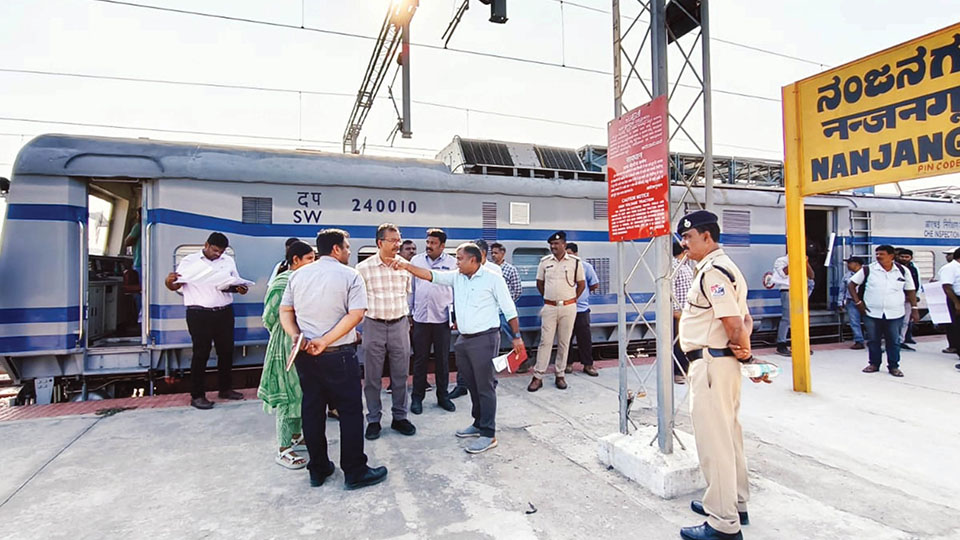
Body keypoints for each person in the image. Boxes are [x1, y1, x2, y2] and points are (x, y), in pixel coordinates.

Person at [677, 210, 764, 540]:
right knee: (730, 437)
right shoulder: (729, 269)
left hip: (711, 365)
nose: (684, 244)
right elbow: (746, 319)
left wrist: (745, 349)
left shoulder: (712, 272)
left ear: (707, 237)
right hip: (723, 364)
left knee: (715, 443)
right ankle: (735, 502)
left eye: (688, 237)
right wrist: (744, 347)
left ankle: (722, 523)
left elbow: (733, 323)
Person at [279, 228, 388, 490]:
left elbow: (286, 311)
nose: (350, 252)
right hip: (338, 355)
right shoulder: (350, 275)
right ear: (336, 249)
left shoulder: (298, 275)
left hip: (305, 354)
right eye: (347, 247)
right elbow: (356, 315)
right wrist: (326, 341)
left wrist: (297, 336)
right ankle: (354, 471)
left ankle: (318, 469)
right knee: (350, 412)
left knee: (312, 410)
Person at [393, 242, 524, 454]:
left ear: (473, 260)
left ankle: (488, 434)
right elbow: (430, 275)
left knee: (485, 387)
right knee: (471, 384)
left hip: (485, 338)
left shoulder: (493, 279)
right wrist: (406, 266)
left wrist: (517, 338)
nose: (456, 262)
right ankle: (478, 422)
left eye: (460, 258)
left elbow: (510, 310)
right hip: (464, 339)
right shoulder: (457, 277)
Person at [165, 232, 247, 410]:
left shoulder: (227, 261)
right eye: (215, 250)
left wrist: (239, 288)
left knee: (226, 351)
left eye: (221, 251)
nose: (218, 254)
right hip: (199, 313)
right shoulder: (189, 261)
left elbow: (232, 283)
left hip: (224, 311)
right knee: (201, 353)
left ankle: (225, 389)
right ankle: (197, 395)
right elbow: (176, 285)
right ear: (206, 245)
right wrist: (169, 281)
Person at [356, 223, 416, 440]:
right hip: (374, 325)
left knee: (400, 374)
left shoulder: (405, 267)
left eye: (399, 240)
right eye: (393, 241)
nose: (398, 244)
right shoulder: (363, 269)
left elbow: (407, 295)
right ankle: (373, 419)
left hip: (400, 324)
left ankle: (400, 417)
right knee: (372, 376)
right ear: (380, 243)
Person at [258, 240, 315, 470]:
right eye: (309, 259)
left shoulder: (304, 281)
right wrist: (287, 332)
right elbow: (269, 318)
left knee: (301, 392)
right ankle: (283, 449)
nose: (313, 263)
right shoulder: (281, 284)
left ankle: (295, 436)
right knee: (286, 395)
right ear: (295, 261)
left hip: (300, 341)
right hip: (285, 344)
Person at [848, 245, 919, 377]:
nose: (879, 256)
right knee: (873, 340)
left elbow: (910, 290)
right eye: (877, 254)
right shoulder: (868, 269)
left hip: (895, 313)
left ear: (891, 256)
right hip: (871, 312)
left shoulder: (903, 271)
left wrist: (914, 309)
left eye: (882, 254)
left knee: (893, 340)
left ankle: (894, 366)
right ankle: (874, 363)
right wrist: (858, 302)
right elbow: (851, 284)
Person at [528, 231, 584, 392]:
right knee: (545, 342)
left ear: (564, 245)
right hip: (550, 307)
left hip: (568, 307)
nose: (553, 246)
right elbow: (540, 283)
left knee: (564, 342)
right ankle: (538, 376)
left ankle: (560, 374)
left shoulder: (575, 262)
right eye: (551, 244)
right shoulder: (545, 262)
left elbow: (581, 284)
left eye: (556, 244)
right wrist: (549, 297)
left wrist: (571, 299)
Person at [449, 238, 504, 399]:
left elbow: (501, 298)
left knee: (484, 372)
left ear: (480, 254)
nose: (458, 262)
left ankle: (488, 389)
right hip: (467, 326)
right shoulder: (461, 273)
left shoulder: (494, 272)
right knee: (465, 363)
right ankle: (463, 386)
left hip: (485, 327)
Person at [410, 228, 457, 415]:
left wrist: (457, 316)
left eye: (433, 243)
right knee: (420, 360)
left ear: (442, 246)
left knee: (442, 360)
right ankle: (417, 398)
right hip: (421, 318)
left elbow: (456, 290)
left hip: (442, 318)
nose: (428, 246)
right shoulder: (416, 261)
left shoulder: (452, 263)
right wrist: (409, 313)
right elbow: (411, 288)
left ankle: (442, 396)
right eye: (428, 242)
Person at [563, 242, 600, 376]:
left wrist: (582, 295)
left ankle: (588, 365)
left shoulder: (586, 267)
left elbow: (594, 284)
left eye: (571, 254)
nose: (568, 257)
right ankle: (567, 364)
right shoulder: (562, 267)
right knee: (566, 339)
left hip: (581, 310)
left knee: (584, 339)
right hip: (566, 309)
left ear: (576, 254)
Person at [771, 251, 815, 356]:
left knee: (800, 318)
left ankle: (799, 345)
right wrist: (794, 261)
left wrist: (805, 262)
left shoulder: (802, 260)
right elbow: (783, 273)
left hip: (800, 291)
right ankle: (781, 344)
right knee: (787, 319)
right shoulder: (780, 261)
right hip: (787, 290)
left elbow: (811, 275)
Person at [490, 242, 523, 351]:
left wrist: (507, 302)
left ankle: (521, 359)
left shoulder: (511, 269)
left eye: (496, 253)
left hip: (505, 311)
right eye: (492, 253)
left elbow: (517, 289)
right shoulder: (490, 269)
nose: (493, 255)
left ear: (503, 253)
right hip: (493, 310)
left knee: (513, 335)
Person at [671, 241, 694, 384]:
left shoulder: (685, 266)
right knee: (679, 343)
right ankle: (678, 372)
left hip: (687, 310)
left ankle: (684, 369)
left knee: (685, 341)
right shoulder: (674, 265)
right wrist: (674, 309)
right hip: (680, 311)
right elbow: (671, 288)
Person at [896, 248, 921, 350]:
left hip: (908, 299)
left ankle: (901, 341)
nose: (904, 259)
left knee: (906, 321)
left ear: (911, 258)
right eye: (902, 256)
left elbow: (917, 283)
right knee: (894, 321)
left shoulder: (914, 269)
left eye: (907, 257)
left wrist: (916, 296)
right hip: (896, 298)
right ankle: (893, 341)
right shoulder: (894, 268)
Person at [838, 257, 866, 350]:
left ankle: (873, 341)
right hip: (851, 301)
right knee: (854, 322)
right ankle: (859, 341)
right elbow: (842, 290)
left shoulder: (867, 273)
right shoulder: (847, 276)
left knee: (870, 322)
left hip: (865, 302)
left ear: (857, 264)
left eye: (850, 263)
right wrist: (840, 302)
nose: (847, 265)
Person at [938, 248, 960, 355]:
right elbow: (947, 286)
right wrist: (956, 303)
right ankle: (956, 348)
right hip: (956, 298)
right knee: (957, 326)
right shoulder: (950, 268)